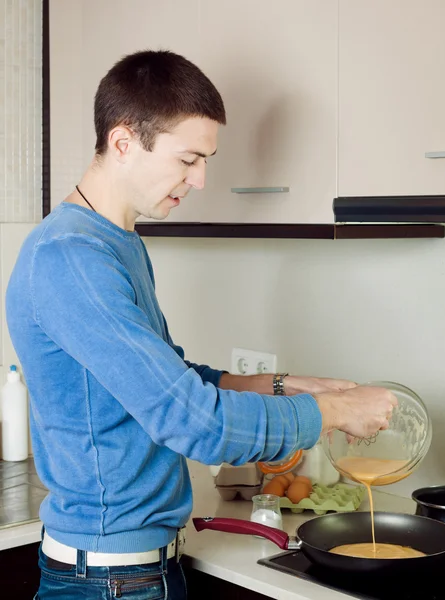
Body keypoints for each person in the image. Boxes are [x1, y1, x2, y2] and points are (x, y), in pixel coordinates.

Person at [5, 50, 397, 600]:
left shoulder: (116, 243)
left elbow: (170, 379)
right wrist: (335, 412)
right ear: (122, 142)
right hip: (109, 579)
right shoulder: (71, 258)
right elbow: (191, 422)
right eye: (189, 159)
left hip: (134, 569)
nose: (202, 179)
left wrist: (284, 386)